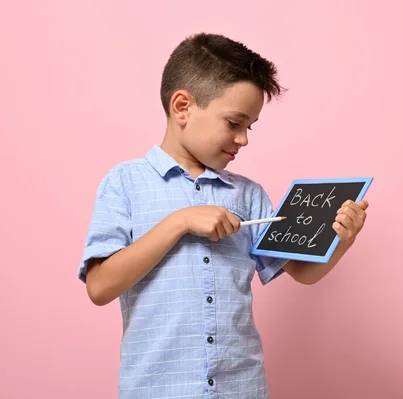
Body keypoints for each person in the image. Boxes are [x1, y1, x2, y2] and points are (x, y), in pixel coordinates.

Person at [78, 32, 369, 399]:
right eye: (234, 123)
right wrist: (179, 222)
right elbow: (100, 287)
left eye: (250, 126)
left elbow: (302, 272)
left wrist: (341, 241)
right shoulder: (125, 183)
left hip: (241, 387)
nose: (244, 139)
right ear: (182, 106)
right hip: (157, 389)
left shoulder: (247, 195)